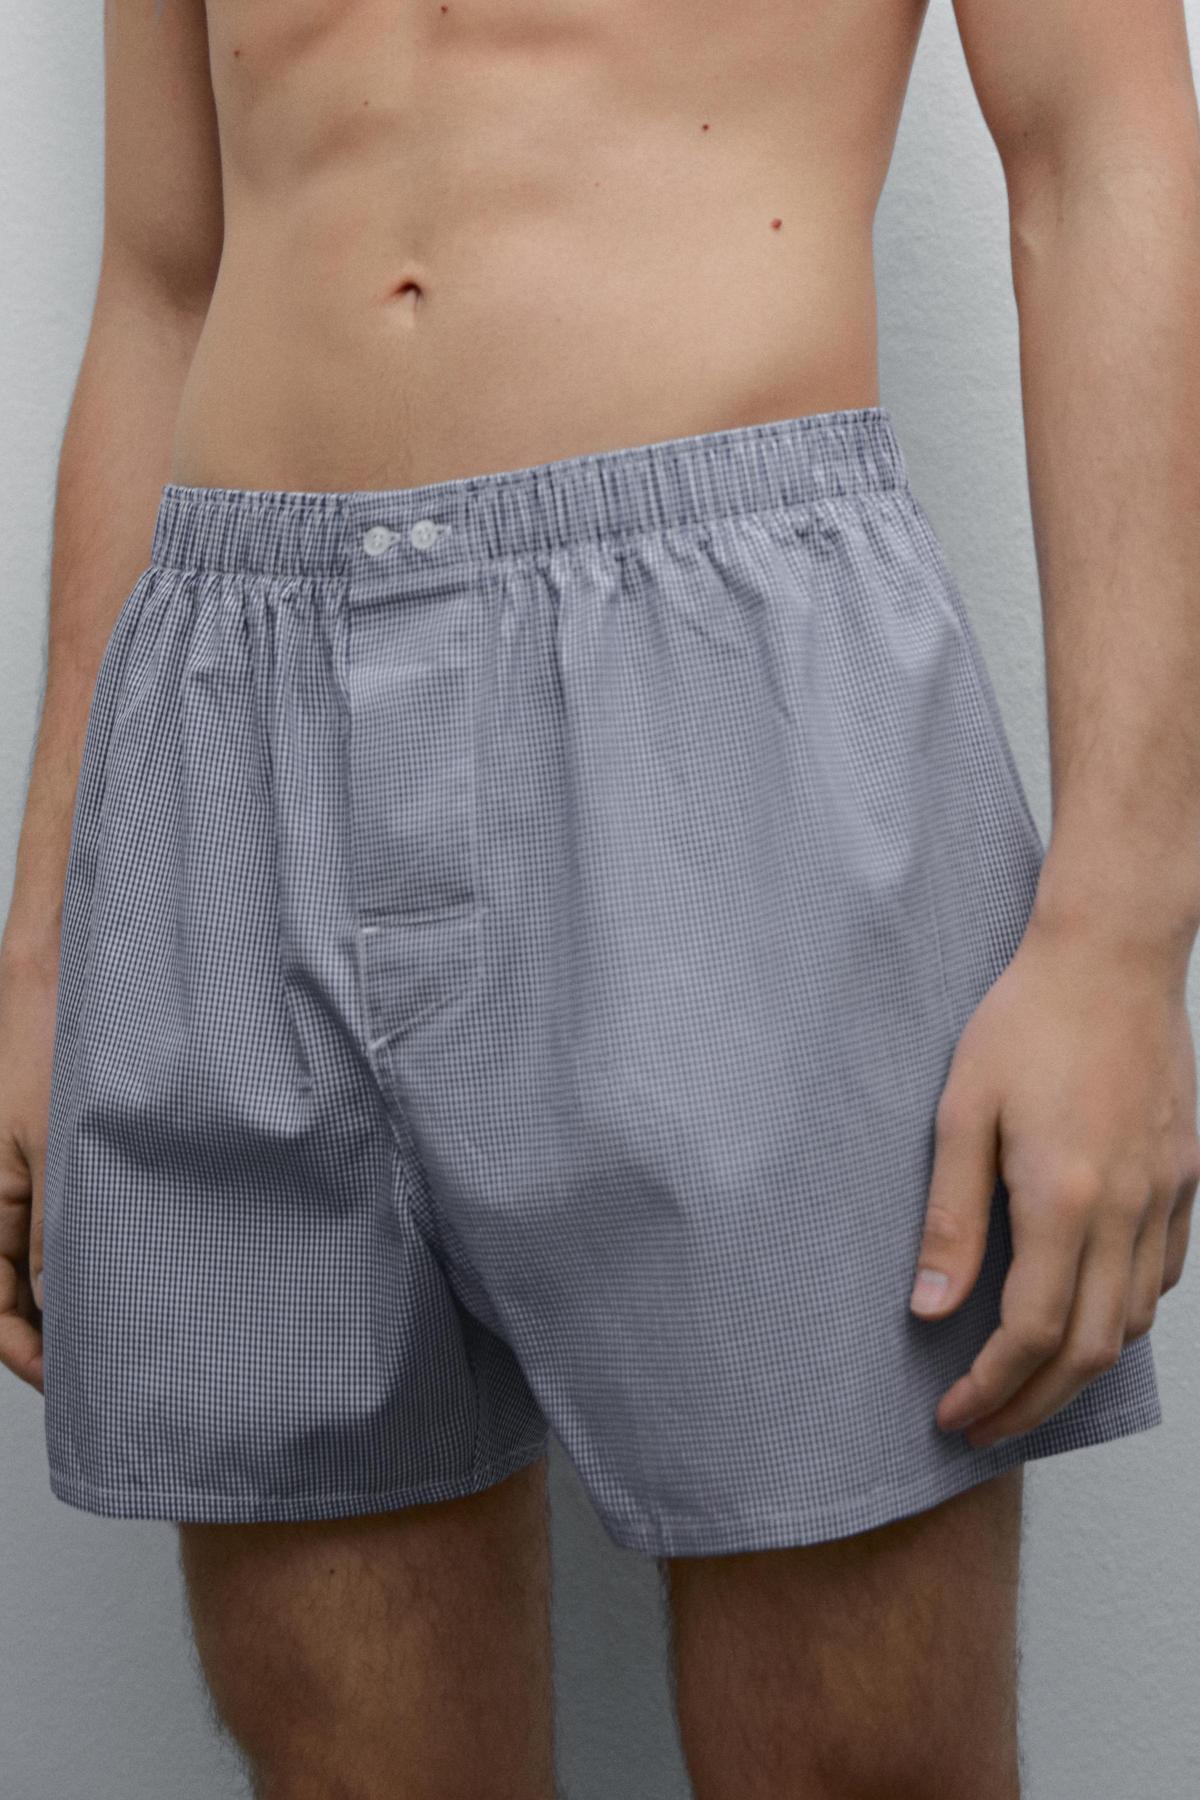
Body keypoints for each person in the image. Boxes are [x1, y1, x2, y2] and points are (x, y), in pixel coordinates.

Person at [3, 0, 1199, 1793]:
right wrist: (48, 947)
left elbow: (1101, 156)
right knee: (339, 1756)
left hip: (729, 689)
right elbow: (167, 278)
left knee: (857, 1761)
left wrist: (1122, 931)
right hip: (229, 720)